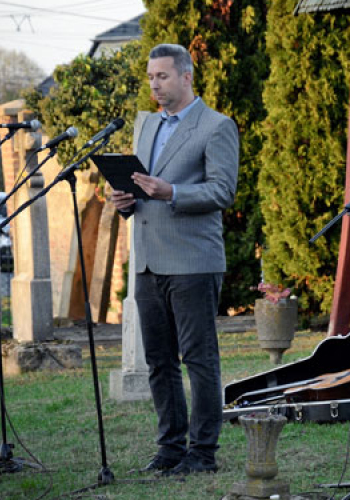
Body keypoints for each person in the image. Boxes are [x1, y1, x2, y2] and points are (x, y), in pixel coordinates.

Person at [110, 43, 239, 476]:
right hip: (147, 261)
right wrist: (123, 200)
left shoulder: (217, 126)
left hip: (193, 262)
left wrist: (174, 193)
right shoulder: (145, 126)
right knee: (159, 361)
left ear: (186, 76)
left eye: (162, 76)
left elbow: (223, 191)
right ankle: (169, 447)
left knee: (199, 359)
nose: (154, 85)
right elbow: (140, 187)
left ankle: (203, 453)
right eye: (150, 77)